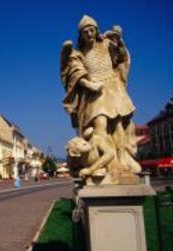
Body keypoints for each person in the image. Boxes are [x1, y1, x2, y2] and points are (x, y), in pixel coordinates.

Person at [60, 15, 140, 175]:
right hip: (94, 93)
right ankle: (104, 161)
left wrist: (119, 41)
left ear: (96, 30)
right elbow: (74, 72)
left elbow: (121, 57)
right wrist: (89, 85)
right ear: (81, 35)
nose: (89, 34)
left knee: (118, 125)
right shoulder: (79, 53)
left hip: (113, 88)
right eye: (85, 32)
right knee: (99, 126)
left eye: (91, 30)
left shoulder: (106, 43)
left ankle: (121, 158)